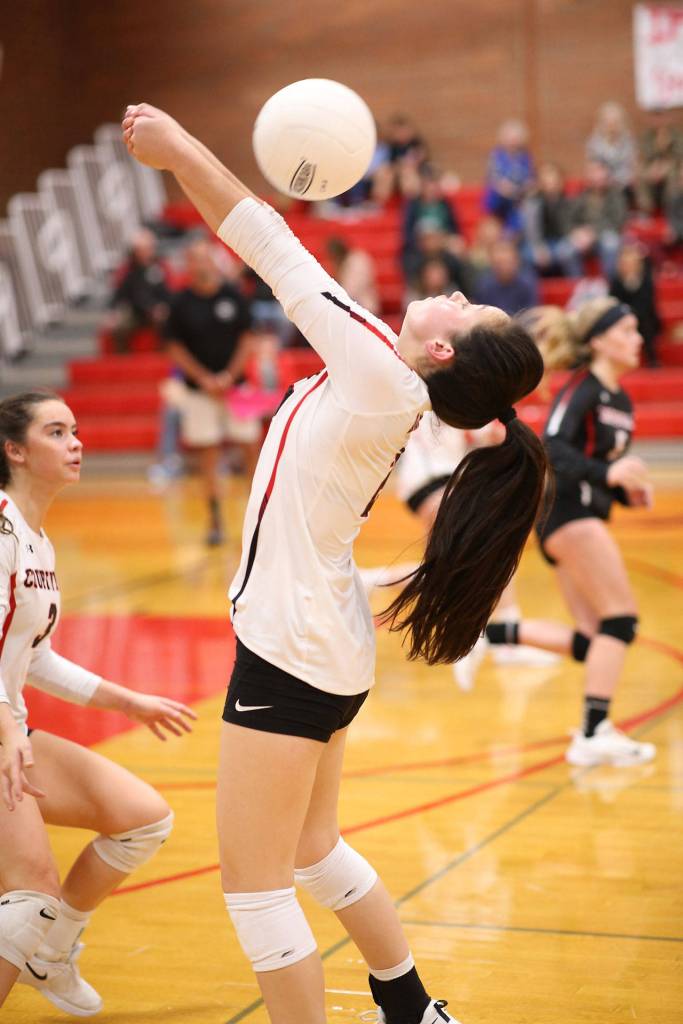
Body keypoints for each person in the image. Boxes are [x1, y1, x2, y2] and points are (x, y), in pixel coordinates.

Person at [123, 101, 547, 1024]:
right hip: (321, 640)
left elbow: (265, 240)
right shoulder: (390, 378)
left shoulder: (380, 373)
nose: (455, 295)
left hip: (292, 648)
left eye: (467, 309)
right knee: (313, 852)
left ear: (442, 349)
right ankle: (410, 1011)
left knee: (256, 887)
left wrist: (178, 150)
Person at [0, 390, 196, 1016]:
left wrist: (128, 701)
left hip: (11, 735)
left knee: (143, 819)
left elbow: (35, 657)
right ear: (15, 450)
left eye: (76, 430)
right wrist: (9, 733)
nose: (76, 443)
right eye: (56, 433)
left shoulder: (38, 543)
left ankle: (49, 956)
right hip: (5, 737)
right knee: (32, 895)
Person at [482, 299, 656, 767]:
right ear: (599, 339)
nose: (638, 338)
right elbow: (553, 449)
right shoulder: (581, 388)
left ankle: (495, 636)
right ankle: (594, 731)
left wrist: (624, 492)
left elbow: (600, 470)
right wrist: (609, 475)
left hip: (586, 513)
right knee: (621, 622)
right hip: (564, 513)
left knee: (592, 638)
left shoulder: (619, 399)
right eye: (628, 329)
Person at [358, 413, 558, 691]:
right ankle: (505, 644)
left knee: (448, 573)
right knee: (493, 551)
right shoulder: (453, 397)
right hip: (436, 481)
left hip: (436, 481)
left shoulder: (442, 393)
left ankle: (367, 581)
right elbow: (490, 434)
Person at [165, 237, 256, 546]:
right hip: (198, 392)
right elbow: (175, 349)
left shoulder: (234, 296)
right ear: (188, 265)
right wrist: (204, 379)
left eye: (205, 258)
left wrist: (230, 375)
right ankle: (215, 520)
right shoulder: (179, 304)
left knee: (251, 449)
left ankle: (261, 519)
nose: (201, 264)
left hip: (237, 387)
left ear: (213, 261)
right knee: (208, 454)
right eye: (195, 259)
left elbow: (248, 339)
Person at [104, 228, 170, 353]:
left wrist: (161, 307)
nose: (145, 252)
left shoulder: (160, 268)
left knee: (166, 323)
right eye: (141, 249)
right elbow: (120, 294)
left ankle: (163, 357)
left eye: (148, 248)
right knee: (120, 328)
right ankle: (123, 362)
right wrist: (111, 312)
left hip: (157, 311)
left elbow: (167, 293)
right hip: (136, 312)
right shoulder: (129, 271)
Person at [570, 160, 628, 280]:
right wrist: (577, 233)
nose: (597, 176)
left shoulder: (616, 196)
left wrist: (593, 233)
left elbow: (618, 222)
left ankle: (610, 285)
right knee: (565, 251)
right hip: (584, 238)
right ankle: (578, 285)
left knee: (611, 244)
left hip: (607, 234)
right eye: (593, 172)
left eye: (600, 171)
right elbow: (572, 219)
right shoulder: (582, 196)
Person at [522, 162, 581, 277]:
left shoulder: (569, 201)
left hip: (561, 241)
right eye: (546, 180)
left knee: (568, 251)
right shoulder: (532, 203)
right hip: (540, 242)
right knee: (527, 254)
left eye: (554, 180)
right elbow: (531, 232)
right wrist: (539, 248)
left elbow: (571, 228)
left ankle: (576, 285)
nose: (550, 184)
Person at [609, 241, 661, 366]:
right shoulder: (616, 281)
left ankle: (652, 358)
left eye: (632, 263)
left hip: (644, 317)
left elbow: (647, 303)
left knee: (645, 324)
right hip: (623, 316)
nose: (629, 266)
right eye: (626, 263)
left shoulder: (646, 279)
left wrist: (633, 315)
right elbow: (613, 301)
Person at [483, 119, 535, 233]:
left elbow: (530, 180)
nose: (513, 141)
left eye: (516, 138)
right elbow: (494, 179)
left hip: (518, 202)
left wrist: (526, 186)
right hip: (498, 203)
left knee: (529, 208)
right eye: (510, 138)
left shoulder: (525, 157)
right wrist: (505, 187)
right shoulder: (496, 156)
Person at [474, 238, 539, 316]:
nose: (504, 267)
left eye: (508, 262)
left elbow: (532, 314)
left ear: (517, 261)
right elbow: (480, 315)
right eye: (499, 263)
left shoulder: (527, 283)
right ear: (492, 264)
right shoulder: (484, 285)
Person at [585, 101, 637, 198]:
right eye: (608, 121)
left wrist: (618, 180)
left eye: (615, 121)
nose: (611, 125)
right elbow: (593, 167)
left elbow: (630, 167)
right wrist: (605, 179)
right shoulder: (594, 143)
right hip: (601, 185)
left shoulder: (628, 141)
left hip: (624, 186)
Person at [326, 237, 380, 315]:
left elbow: (352, 290)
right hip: (351, 310)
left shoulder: (357, 260)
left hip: (366, 309)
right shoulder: (342, 264)